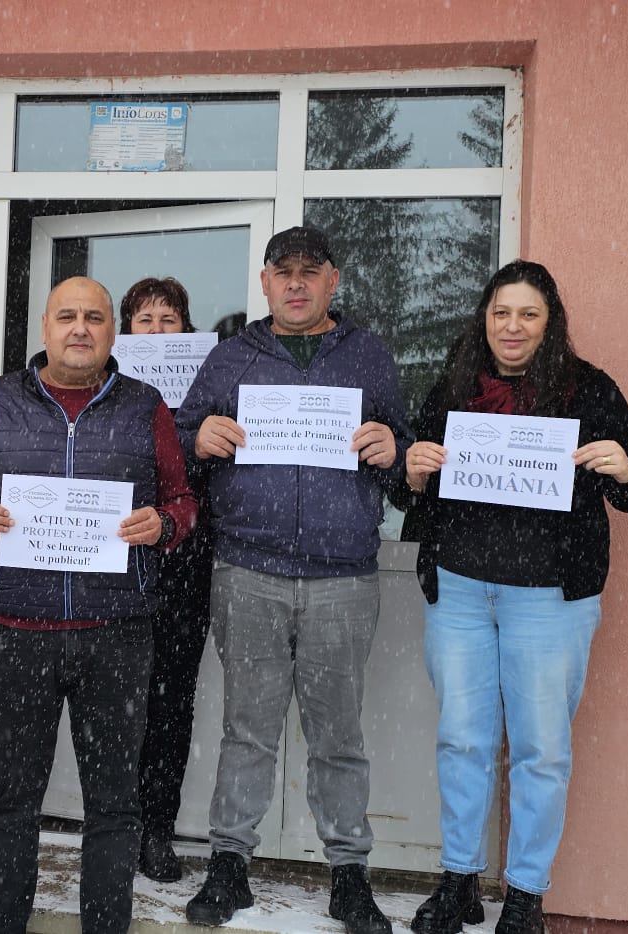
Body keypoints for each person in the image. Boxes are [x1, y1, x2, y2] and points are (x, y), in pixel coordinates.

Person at [0, 276, 199, 934]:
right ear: (45, 328)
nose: (80, 328)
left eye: (95, 317)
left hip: (117, 633)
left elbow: (182, 501)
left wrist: (163, 525)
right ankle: (4, 924)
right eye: (67, 316)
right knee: (10, 800)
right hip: (17, 632)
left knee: (114, 804)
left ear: (112, 333)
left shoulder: (145, 406)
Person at [400, 260, 628, 934]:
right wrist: (413, 469)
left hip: (548, 599)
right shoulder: (455, 387)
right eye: (501, 313)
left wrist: (626, 467)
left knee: (541, 750)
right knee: (462, 740)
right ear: (484, 320)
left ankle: (524, 896)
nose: (512, 327)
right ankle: (459, 882)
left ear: (550, 323)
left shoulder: (589, 390)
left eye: (528, 314)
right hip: (460, 591)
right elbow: (408, 486)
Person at [174, 226, 408, 934]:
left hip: (343, 578)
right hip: (248, 570)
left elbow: (405, 459)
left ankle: (349, 875)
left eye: (310, 271)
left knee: (338, 735)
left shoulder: (368, 355)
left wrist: (394, 448)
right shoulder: (231, 356)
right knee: (247, 730)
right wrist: (197, 439)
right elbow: (179, 441)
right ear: (266, 282)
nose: (297, 283)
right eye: (284, 272)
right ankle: (229, 866)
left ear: (333, 280)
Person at [117, 277, 214, 883]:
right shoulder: (109, 388)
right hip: (115, 559)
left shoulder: (208, 391)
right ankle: (116, 826)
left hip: (184, 564)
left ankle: (157, 829)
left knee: (172, 703)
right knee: (114, 701)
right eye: (144, 320)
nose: (156, 331)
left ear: (186, 329)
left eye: (168, 320)